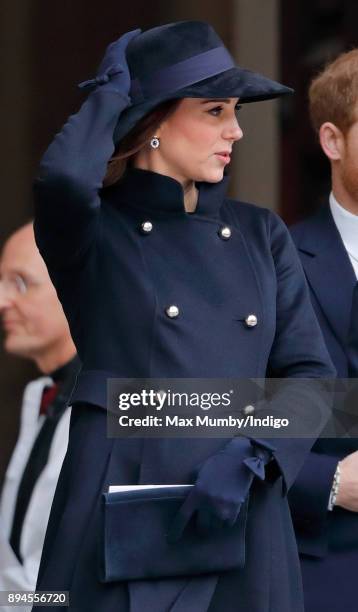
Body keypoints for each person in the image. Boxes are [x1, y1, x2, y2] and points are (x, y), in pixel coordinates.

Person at [32, 22, 335, 612]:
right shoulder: (96, 232)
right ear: (154, 123)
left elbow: (312, 375)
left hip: (241, 501)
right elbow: (65, 178)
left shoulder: (261, 232)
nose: (236, 130)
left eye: (237, 111)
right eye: (215, 110)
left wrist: (255, 454)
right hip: (122, 505)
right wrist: (111, 97)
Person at [289, 50, 358, 612]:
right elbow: (217, 415)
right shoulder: (269, 262)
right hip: (323, 570)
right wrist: (328, 480)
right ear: (333, 142)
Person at [0, 222, 79, 602]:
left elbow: (65, 592)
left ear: (74, 291)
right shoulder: (45, 396)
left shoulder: (127, 404)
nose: (1, 302)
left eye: (20, 283)